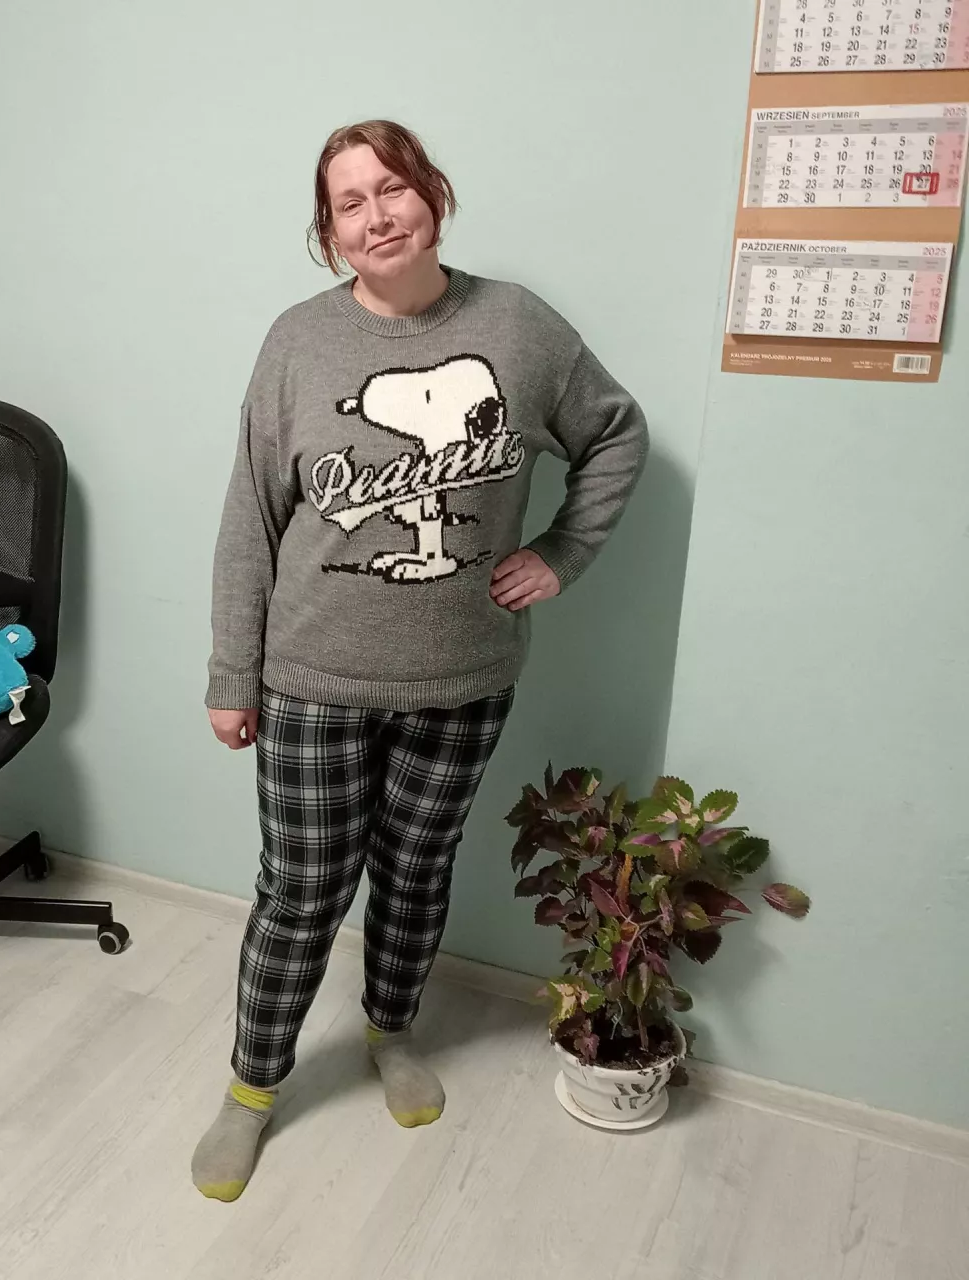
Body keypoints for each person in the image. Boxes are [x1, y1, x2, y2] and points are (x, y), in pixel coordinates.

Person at [194, 119, 648, 1202]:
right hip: (312, 677)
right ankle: (252, 1087)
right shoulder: (298, 343)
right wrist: (230, 673)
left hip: (462, 677)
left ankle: (389, 1032)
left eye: (391, 188)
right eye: (348, 203)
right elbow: (251, 516)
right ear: (329, 233)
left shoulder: (518, 326)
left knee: (414, 872)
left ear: (432, 194)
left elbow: (615, 432)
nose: (376, 215)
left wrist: (560, 553)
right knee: (300, 892)